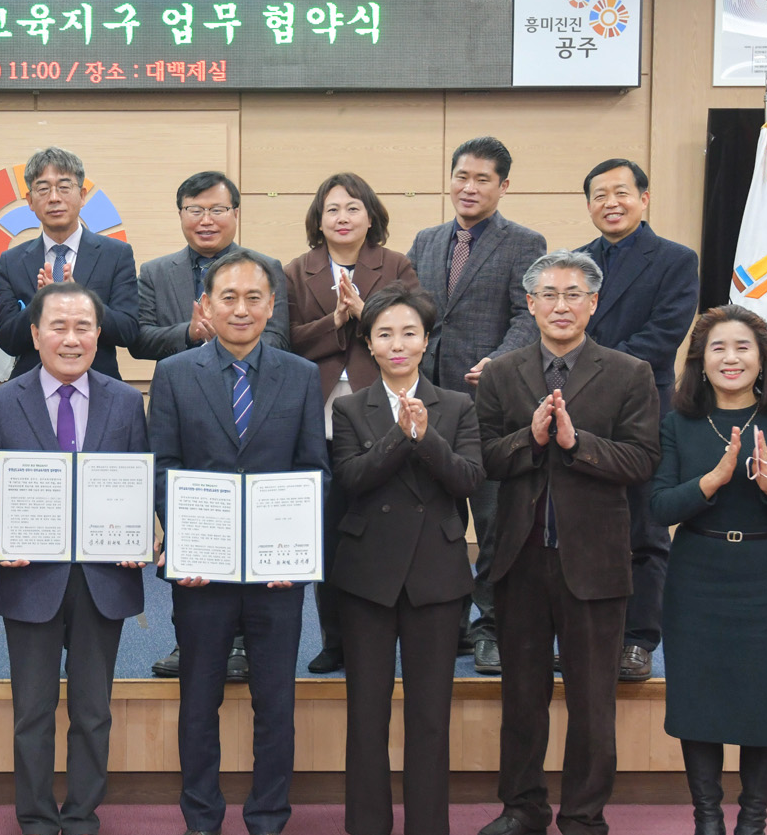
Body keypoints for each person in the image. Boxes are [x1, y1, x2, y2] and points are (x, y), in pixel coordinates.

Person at [472, 251, 659, 835]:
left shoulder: (629, 373)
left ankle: (583, 820)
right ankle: (523, 807)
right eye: (548, 294)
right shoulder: (502, 373)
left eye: (573, 294)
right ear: (529, 305)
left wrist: (579, 444)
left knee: (592, 701)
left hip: (595, 563)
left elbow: (643, 461)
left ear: (593, 304)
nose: (560, 305)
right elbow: (485, 459)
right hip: (520, 560)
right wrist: (530, 438)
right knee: (522, 696)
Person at [149, 250, 327, 835]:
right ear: (205, 304)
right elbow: (163, 466)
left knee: (275, 701)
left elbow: (314, 470)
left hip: (277, 574)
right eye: (229, 297)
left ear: (272, 305)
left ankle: (269, 823)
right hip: (203, 572)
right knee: (199, 698)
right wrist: (183, 539)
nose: (242, 308)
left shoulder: (301, 375)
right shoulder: (174, 373)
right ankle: (201, 820)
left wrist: (296, 546)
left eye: (255, 297)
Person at [0, 282, 149, 835]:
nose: (71, 339)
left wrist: (140, 531)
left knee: (94, 710)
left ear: (99, 335)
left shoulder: (126, 402)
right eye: (58, 326)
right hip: (32, 578)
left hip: (103, 577)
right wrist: (0, 526)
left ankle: (82, 823)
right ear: (35, 334)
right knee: (33, 710)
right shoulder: (3, 403)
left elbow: (140, 479)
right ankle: (36, 824)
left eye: (83, 327)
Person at [650, 305, 767, 835]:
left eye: (742, 347)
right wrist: (712, 481)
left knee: (764, 701)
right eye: (718, 349)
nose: (730, 358)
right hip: (697, 573)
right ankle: (707, 825)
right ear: (700, 362)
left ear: (762, 359)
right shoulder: (678, 423)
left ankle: (752, 827)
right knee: (697, 699)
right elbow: (659, 507)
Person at [330, 283, 483, 835]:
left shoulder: (458, 406)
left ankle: (426, 828)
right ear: (369, 343)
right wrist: (401, 437)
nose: (398, 344)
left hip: (435, 575)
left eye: (409, 333)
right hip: (368, 575)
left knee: (429, 709)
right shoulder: (350, 407)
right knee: (366, 707)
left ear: (426, 341)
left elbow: (469, 480)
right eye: (385, 334)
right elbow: (352, 480)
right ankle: (369, 824)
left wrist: (427, 438)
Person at [131, 170, 289, 682]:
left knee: (250, 528)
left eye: (217, 209)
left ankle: (241, 642)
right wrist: (191, 333)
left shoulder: (265, 268)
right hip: (187, 409)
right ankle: (191, 640)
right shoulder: (156, 272)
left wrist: (229, 334)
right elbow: (140, 339)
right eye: (195, 209)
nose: (206, 219)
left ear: (235, 214)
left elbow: (279, 339)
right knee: (189, 524)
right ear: (180, 214)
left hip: (252, 412)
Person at [406, 137, 547, 675]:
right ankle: (450, 622)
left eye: (482, 179)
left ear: (503, 186)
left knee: (492, 522)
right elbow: (415, 311)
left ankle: (491, 625)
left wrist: (500, 361)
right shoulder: (426, 240)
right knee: (438, 522)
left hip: (492, 407)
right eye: (461, 176)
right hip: (431, 402)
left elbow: (528, 313)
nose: (469, 187)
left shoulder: (524, 242)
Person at [286, 172, 421, 674]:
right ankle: (335, 640)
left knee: (383, 530)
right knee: (328, 535)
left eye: (352, 208)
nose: (342, 218)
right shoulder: (296, 270)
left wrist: (367, 314)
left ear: (370, 216)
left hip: (379, 410)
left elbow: (416, 327)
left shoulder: (396, 265)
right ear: (318, 220)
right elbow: (287, 339)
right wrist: (336, 321)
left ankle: (385, 637)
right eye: (332, 209)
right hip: (317, 414)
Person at [575, 159, 700, 682]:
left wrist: (594, 368)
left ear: (644, 199)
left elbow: (664, 334)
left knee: (644, 527)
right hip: (579, 408)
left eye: (621, 192)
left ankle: (638, 640)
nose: (611, 203)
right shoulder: (573, 263)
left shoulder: (675, 260)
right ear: (588, 205)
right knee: (584, 526)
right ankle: (587, 637)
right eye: (599, 194)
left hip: (643, 406)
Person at [0, 146, 138, 381]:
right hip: (32, 388)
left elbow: (128, 331)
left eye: (64, 187)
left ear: (82, 195)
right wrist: (41, 302)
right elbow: (7, 340)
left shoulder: (116, 254)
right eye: (43, 189)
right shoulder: (11, 262)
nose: (54, 198)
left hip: (99, 386)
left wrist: (83, 298)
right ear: (30, 201)